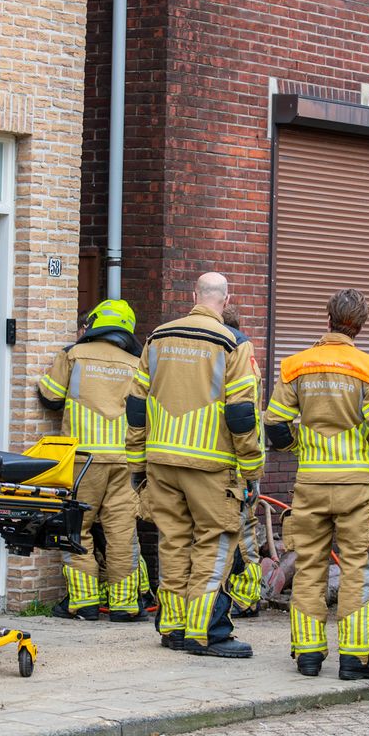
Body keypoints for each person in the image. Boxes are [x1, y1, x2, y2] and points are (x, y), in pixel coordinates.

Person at [262, 289, 369, 679]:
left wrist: (297, 447)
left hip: (310, 483)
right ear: (361, 324)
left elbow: (274, 422)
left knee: (308, 567)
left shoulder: (296, 366)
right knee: (357, 567)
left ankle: (308, 655)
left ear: (329, 318)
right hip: (357, 484)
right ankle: (355, 660)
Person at [126, 272, 262, 658]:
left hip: (161, 461)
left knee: (173, 542)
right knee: (216, 543)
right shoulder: (234, 343)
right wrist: (251, 469)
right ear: (226, 299)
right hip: (212, 465)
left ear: (193, 296)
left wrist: (138, 463)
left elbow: (135, 405)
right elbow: (241, 414)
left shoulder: (157, 337)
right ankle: (205, 634)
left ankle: (172, 627)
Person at [38, 299, 147, 622]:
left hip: (83, 462)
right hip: (125, 463)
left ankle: (83, 603)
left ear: (94, 324)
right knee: (122, 532)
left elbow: (50, 395)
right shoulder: (135, 363)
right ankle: (125, 605)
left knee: (77, 529)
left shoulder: (73, 355)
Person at [220, 303, 264, 618]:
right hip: (241, 460)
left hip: (237, 463)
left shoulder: (234, 360)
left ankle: (247, 597)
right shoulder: (244, 360)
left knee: (244, 531)